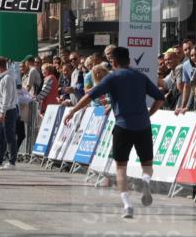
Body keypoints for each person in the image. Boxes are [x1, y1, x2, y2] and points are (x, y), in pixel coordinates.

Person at [62, 46, 164, 219]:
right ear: (129, 60)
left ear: (113, 62)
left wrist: (73, 111)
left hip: (122, 126)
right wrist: (148, 114)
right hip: (143, 127)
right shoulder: (141, 77)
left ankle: (127, 205)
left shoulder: (112, 78)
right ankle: (146, 182)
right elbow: (160, 98)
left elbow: (89, 96)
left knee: (121, 168)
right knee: (147, 164)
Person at [0, 56, 19, 169]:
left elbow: (7, 97)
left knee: (9, 136)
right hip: (3, 110)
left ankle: (12, 162)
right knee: (0, 137)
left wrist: (2, 112)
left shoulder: (7, 78)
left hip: (8, 111)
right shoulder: (3, 78)